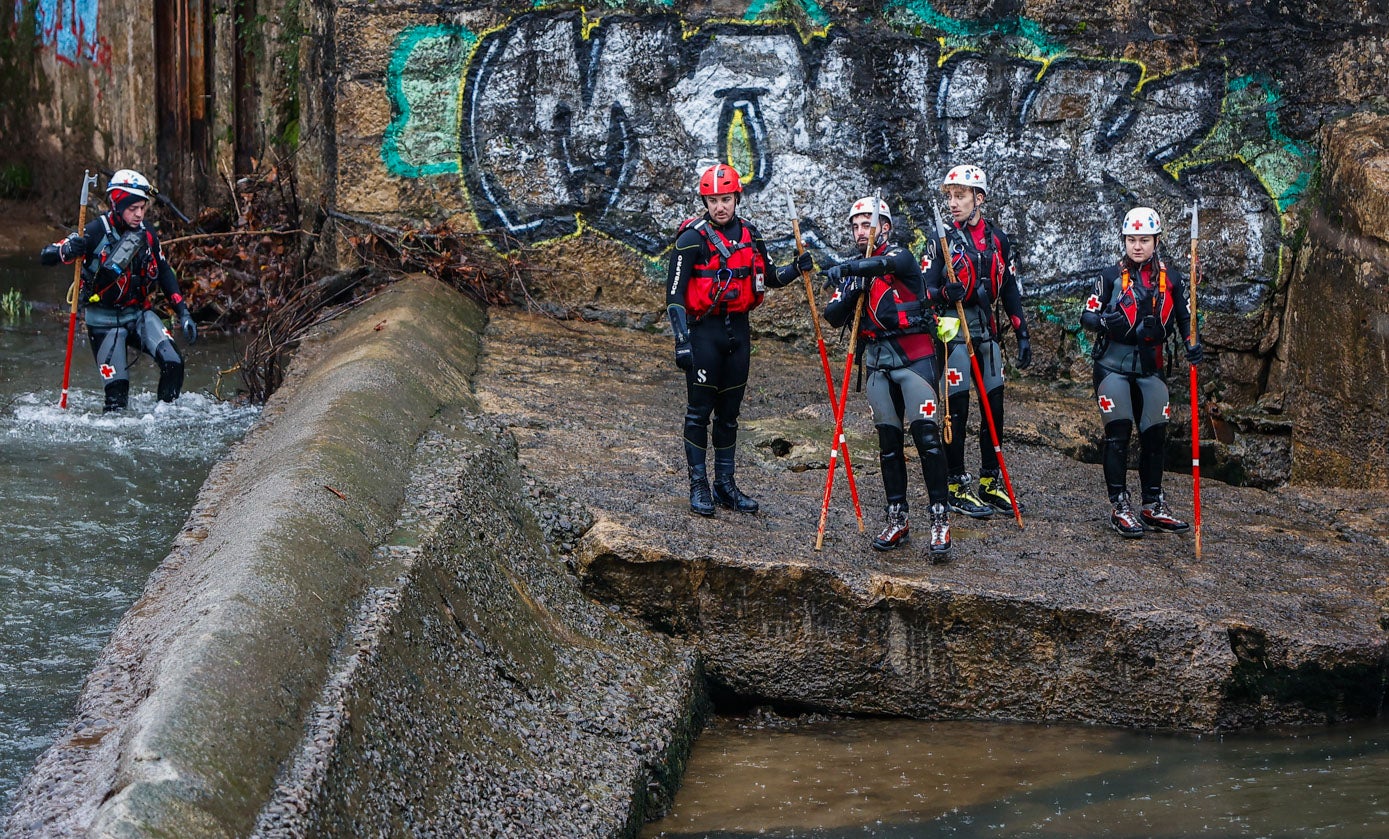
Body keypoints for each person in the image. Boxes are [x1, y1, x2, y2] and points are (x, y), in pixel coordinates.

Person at [665, 162, 812, 516]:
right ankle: (698, 484)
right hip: (704, 334)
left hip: (739, 333)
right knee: (699, 413)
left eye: (726, 199)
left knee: (729, 416)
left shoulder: (750, 233)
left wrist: (797, 268)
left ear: (736, 198)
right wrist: (682, 340)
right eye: (713, 199)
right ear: (705, 200)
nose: (720, 206)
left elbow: (771, 276)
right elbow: (674, 295)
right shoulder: (691, 239)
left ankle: (725, 485)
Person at [821, 196, 956, 558]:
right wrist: (854, 288)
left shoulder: (900, 256)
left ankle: (940, 518)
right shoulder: (855, 273)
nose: (860, 231)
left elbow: (885, 263)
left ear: (884, 227)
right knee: (888, 444)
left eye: (868, 224)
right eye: (855, 226)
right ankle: (897, 516)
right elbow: (832, 315)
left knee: (927, 438)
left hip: (916, 359)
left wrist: (857, 269)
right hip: (878, 364)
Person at [1079, 206, 1203, 537]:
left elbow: (1185, 319)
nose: (1137, 246)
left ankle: (1153, 503)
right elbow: (1087, 317)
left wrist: (1193, 343)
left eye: (1144, 240)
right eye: (1131, 240)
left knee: (1155, 436)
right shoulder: (1108, 277)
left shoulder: (1173, 278)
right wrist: (1108, 321)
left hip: (1152, 369)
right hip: (1112, 369)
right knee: (1118, 436)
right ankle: (1120, 504)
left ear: (1156, 241)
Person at [40, 169, 198, 413]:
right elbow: (46, 255)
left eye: (143, 208)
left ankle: (166, 420)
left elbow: (165, 273)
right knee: (117, 398)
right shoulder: (93, 232)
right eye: (133, 208)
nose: (139, 214)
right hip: (103, 323)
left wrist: (183, 312)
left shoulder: (147, 232)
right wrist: (70, 250)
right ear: (116, 204)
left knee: (173, 362)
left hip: (138, 315)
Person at [937, 164, 1032, 518]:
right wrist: (946, 291)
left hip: (988, 334)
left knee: (995, 407)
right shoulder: (941, 239)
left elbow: (1008, 287)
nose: (953, 203)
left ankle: (990, 481)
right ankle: (954, 483)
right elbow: (925, 289)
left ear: (979, 199)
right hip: (954, 336)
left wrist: (1021, 332)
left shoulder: (998, 239)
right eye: (949, 196)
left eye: (960, 196)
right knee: (956, 411)